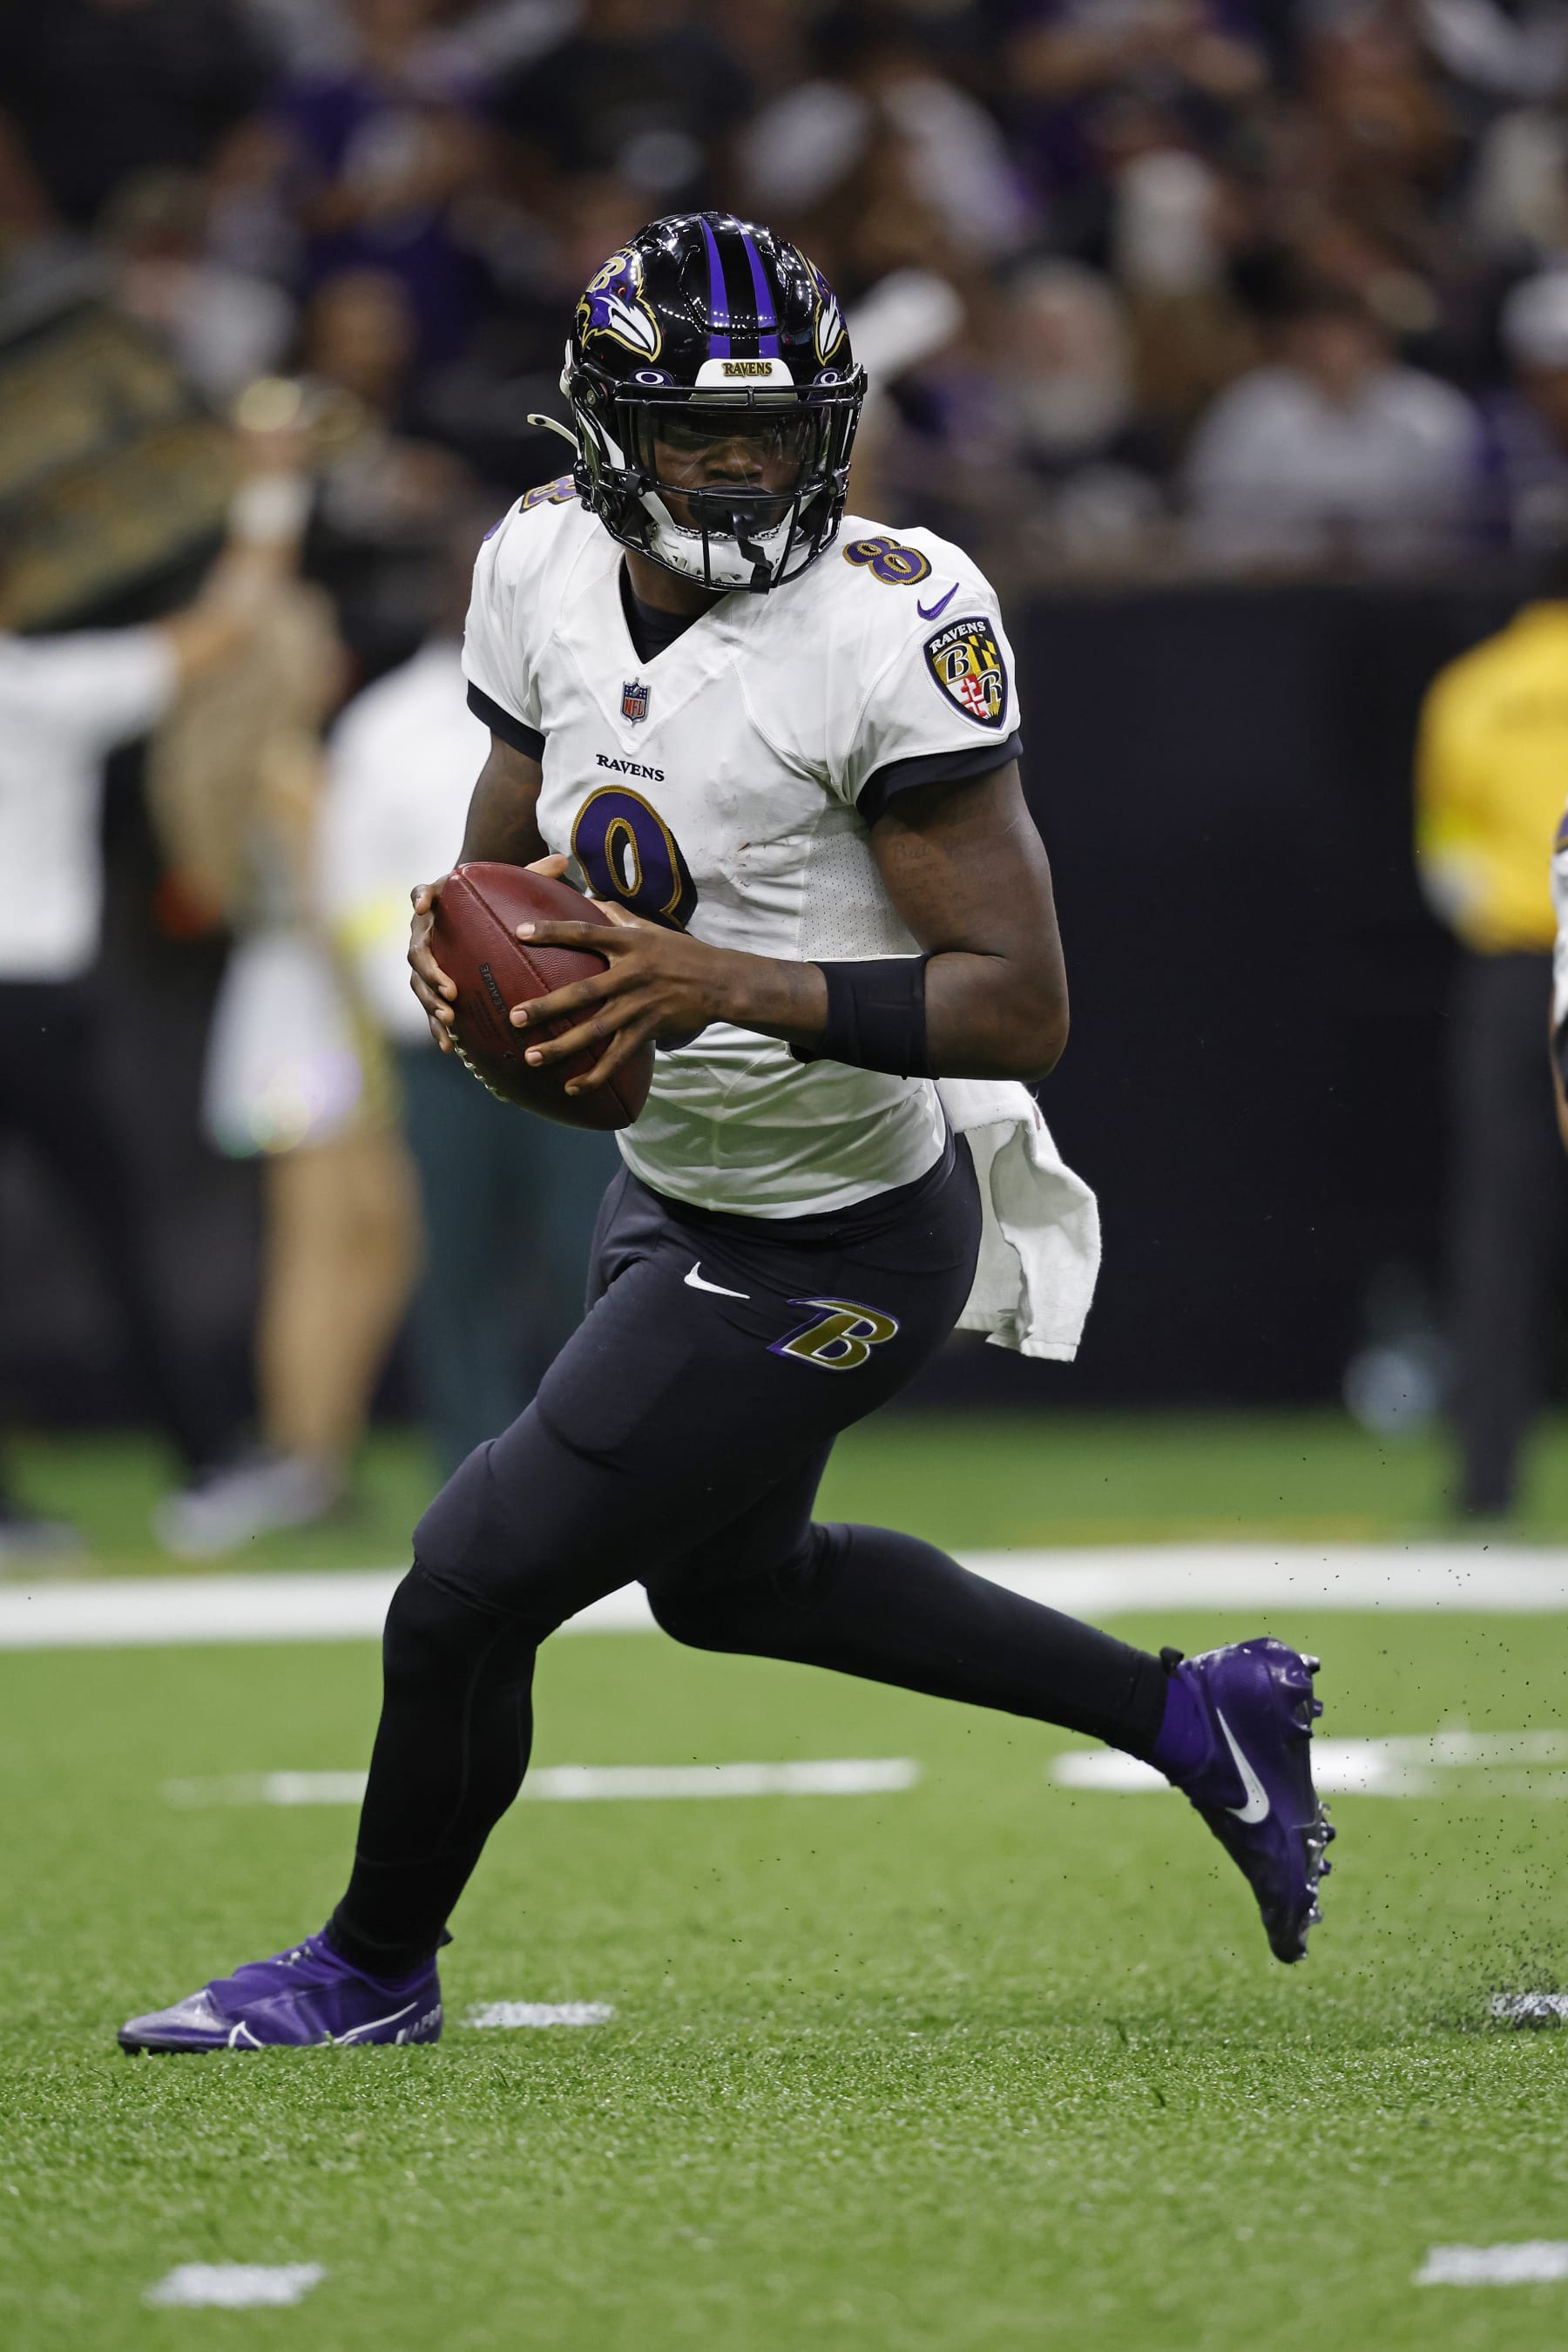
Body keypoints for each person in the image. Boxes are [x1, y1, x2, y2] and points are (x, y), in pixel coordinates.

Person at [118, 212, 1331, 2053]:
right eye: (700, 435)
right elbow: (507, 833)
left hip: (836, 1228)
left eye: (775, 434)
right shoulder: (533, 563)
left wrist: (716, 984)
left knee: (460, 1592)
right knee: (732, 1587)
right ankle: (1193, 1715)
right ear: (608, 431)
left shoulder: (887, 624)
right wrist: (472, 951)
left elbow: (1020, 1003)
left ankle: (369, 1972)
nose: (747, 469)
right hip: (677, 1175)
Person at [0, 426, 310, 1558]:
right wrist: (273, 490)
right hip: (34, 1002)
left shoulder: (46, 686)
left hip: (42, 996)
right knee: (119, 1235)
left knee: (116, 1232)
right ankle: (205, 1468)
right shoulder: (39, 688)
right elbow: (224, 630)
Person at [314, 515, 618, 1475]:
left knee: (597, 1250)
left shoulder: (601, 704)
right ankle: (475, 1469)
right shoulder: (386, 724)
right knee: (459, 1263)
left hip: (577, 1029)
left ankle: (608, 1460)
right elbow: (351, 885)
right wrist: (426, 995)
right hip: (439, 1043)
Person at [1416, 580, 1568, 1516]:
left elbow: (1449, 865)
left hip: (1518, 969)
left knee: (1500, 1233)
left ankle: (1486, 1482)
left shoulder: (1475, 686)